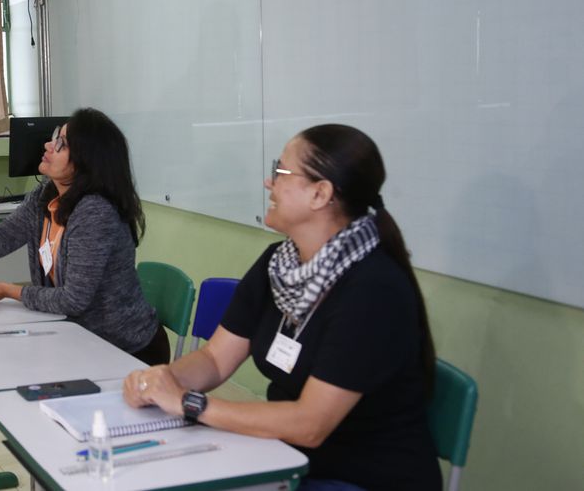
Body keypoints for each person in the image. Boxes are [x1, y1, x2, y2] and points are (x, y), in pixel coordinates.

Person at [122, 124, 440, 491]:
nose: (268, 183)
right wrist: (160, 382)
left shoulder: (373, 291)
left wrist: (190, 404)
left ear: (320, 194)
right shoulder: (280, 263)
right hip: (284, 457)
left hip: (357, 477)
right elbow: (214, 359)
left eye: (281, 172)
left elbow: (310, 424)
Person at [0, 107, 171, 365]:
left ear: (86, 161)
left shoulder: (95, 212)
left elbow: (73, 300)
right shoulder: (44, 198)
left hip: (126, 350)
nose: (48, 145)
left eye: (61, 145)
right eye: (55, 137)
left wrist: (7, 290)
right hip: (79, 338)